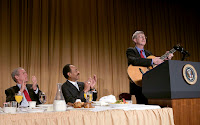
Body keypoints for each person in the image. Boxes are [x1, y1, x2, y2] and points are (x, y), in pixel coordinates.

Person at [126, 31, 173, 104]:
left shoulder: (149, 53)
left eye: (145, 37)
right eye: (141, 36)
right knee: (142, 106)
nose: (144, 38)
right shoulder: (131, 50)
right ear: (135, 40)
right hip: (138, 83)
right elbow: (134, 61)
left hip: (151, 84)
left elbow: (154, 66)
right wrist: (152, 61)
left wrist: (165, 59)